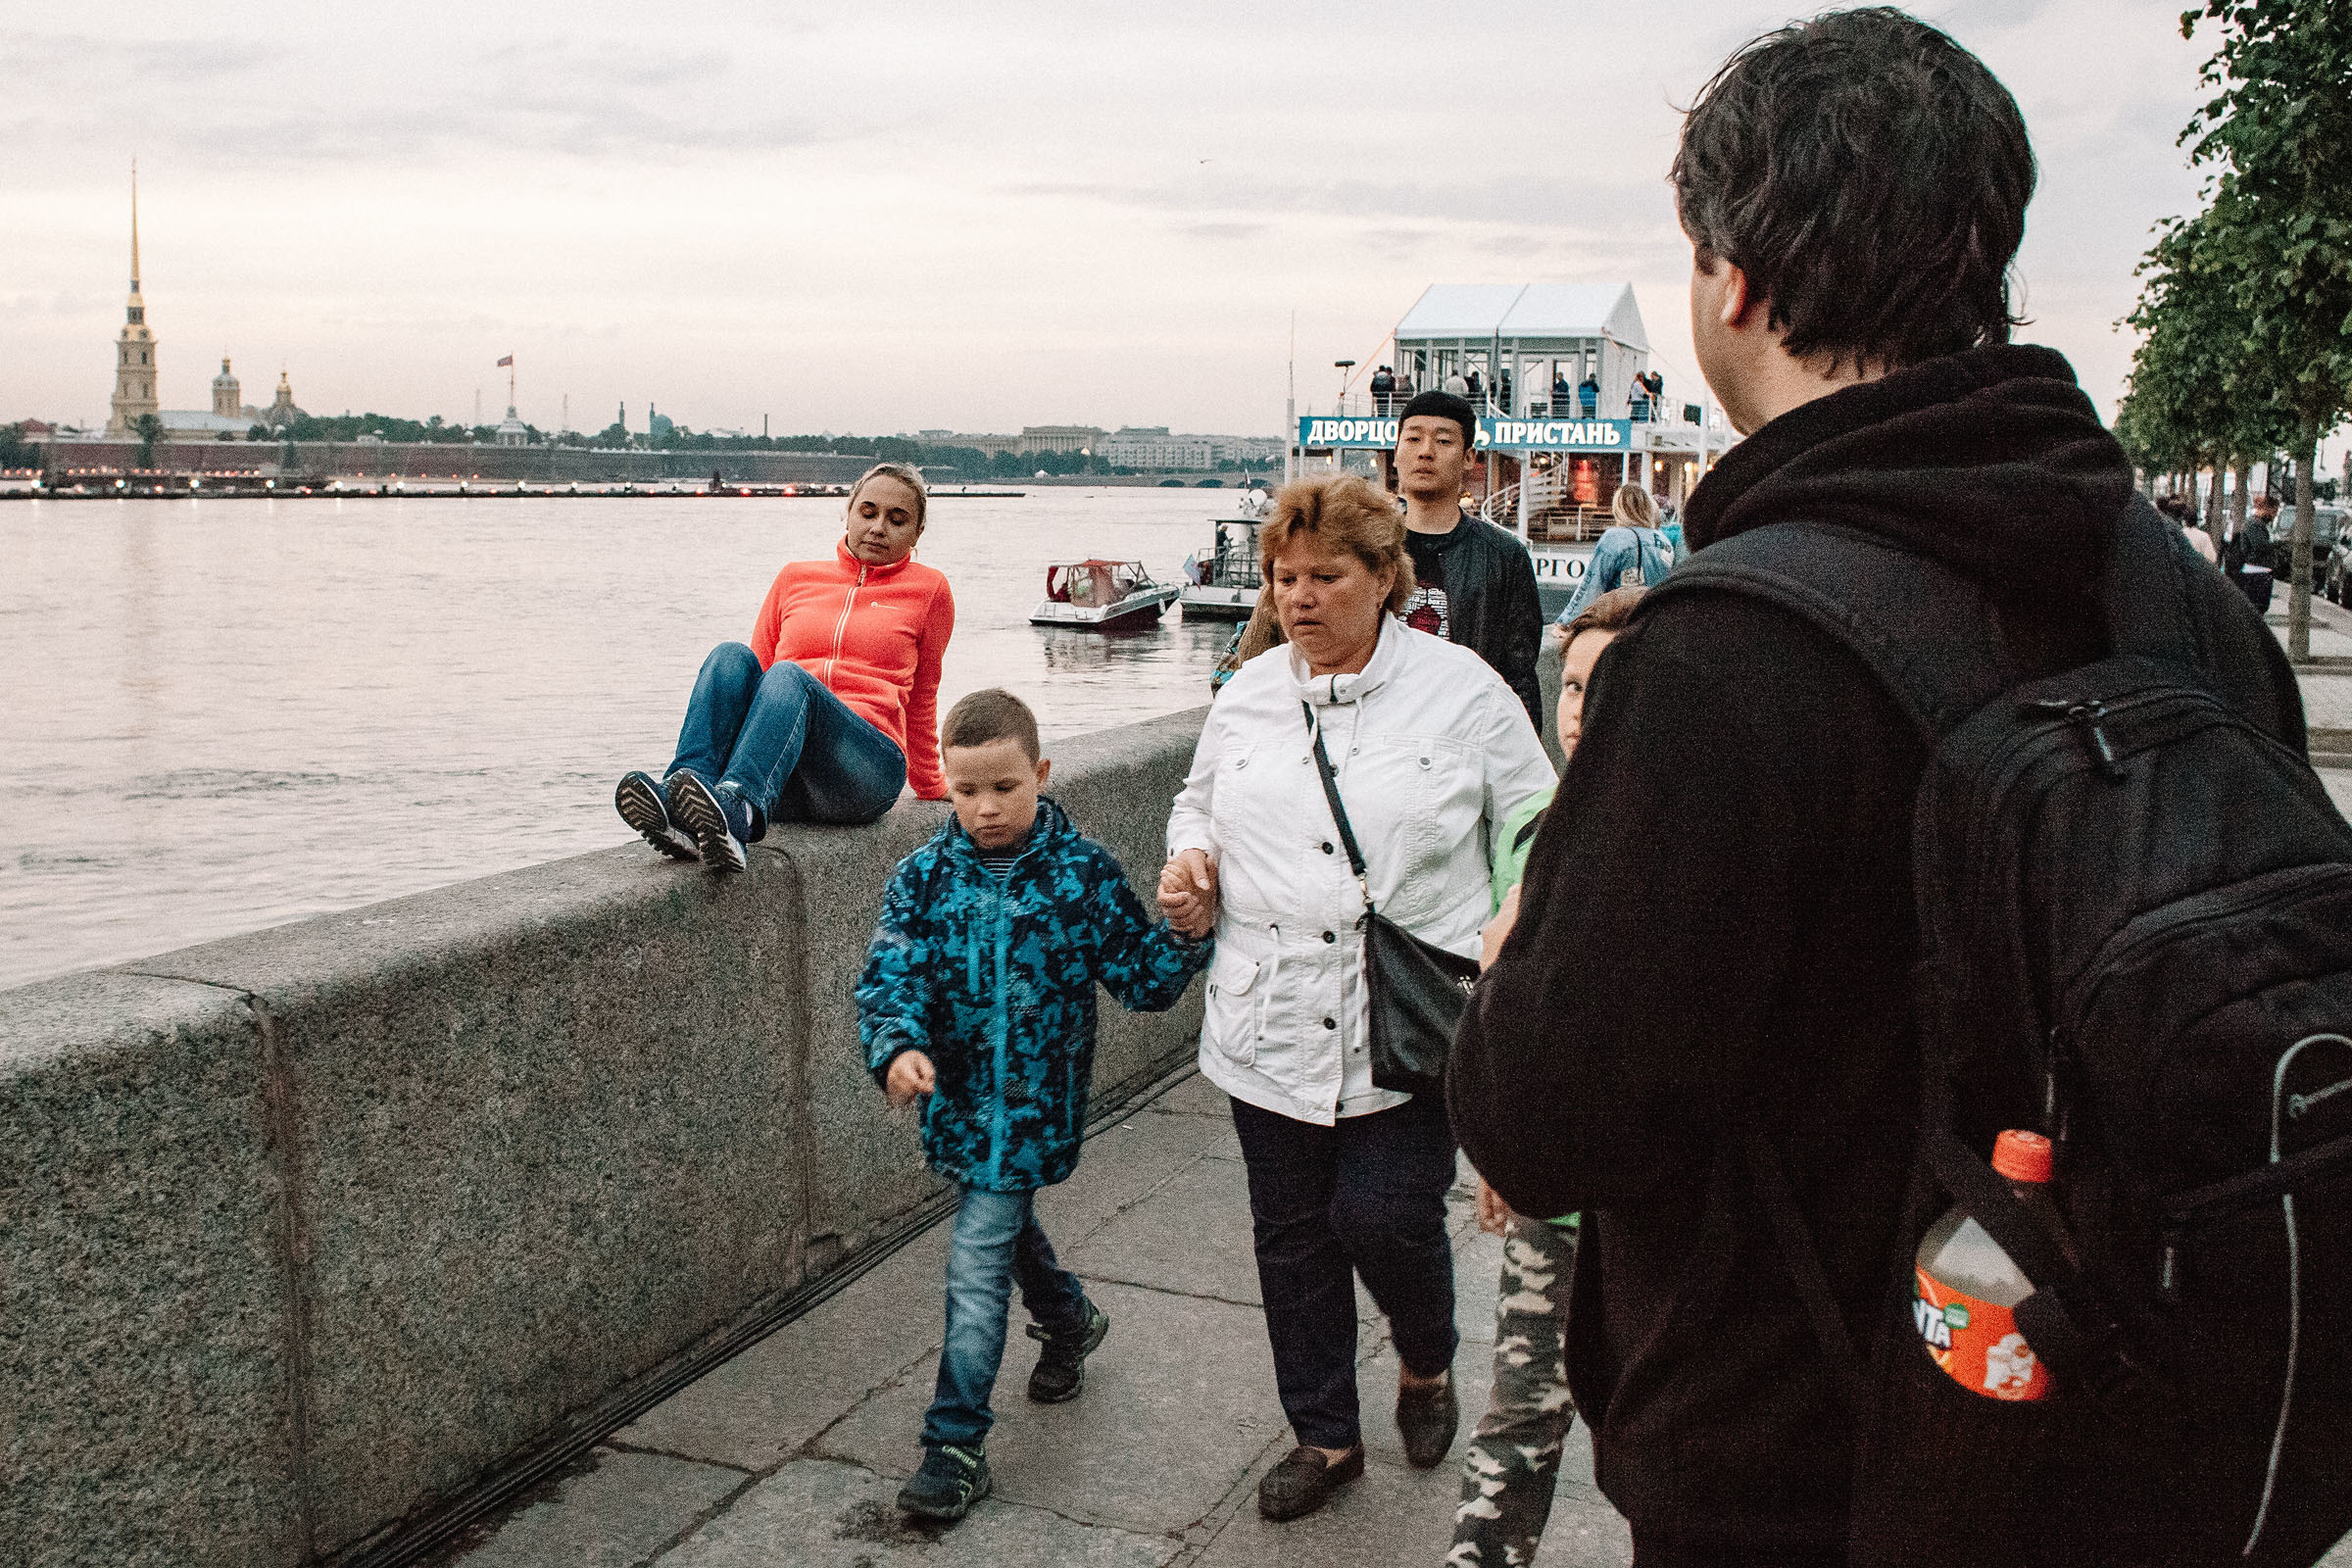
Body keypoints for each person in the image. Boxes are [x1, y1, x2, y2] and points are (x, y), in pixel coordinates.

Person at [1446, 12, 2299, 1566]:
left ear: (1736, 282)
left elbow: (1553, 1125)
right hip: (2151, 1419)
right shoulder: (2184, 601)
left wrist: (1518, 965)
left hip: (1813, 1462)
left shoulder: (1724, 653)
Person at [1157, 473, 1553, 1525]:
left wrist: (1517, 917)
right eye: (1284, 577)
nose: (1298, 596)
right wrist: (1191, 863)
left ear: (1384, 577)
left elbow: (1537, 821)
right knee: (1291, 1238)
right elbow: (1197, 802)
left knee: (1385, 1217)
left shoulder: (1464, 691)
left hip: (1409, 1016)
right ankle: (1325, 1435)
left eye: (1325, 576)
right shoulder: (1248, 692)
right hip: (1266, 1015)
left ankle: (1426, 1357)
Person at [860, 688, 1212, 1525]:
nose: (985, 807)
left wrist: (1185, 932)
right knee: (1001, 1227)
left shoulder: (1080, 873)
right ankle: (1069, 1318)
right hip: (959, 1109)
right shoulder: (922, 879)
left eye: (1004, 787)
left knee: (976, 1262)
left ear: (1042, 774)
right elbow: (890, 976)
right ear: (944, 786)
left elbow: (1141, 978)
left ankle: (954, 1443)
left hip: (1034, 1110)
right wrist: (898, 1048)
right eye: (966, 790)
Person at [1447, 586, 1643, 1568]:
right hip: (1556, 1196)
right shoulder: (1530, 826)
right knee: (1522, 1402)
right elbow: (1504, 1009)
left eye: (1604, 688)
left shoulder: (1681, 839)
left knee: (1656, 1425)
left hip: (1649, 1194)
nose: (1577, 709)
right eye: (1568, 685)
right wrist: (1501, 1147)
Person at [615, 462, 952, 869]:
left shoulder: (929, 590)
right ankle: (684, 796)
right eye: (868, 513)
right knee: (730, 657)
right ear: (847, 513)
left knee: (789, 676)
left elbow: (923, 695)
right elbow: (754, 682)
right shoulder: (795, 578)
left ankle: (740, 809)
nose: (878, 528)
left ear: (917, 532)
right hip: (786, 772)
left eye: (897, 520)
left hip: (866, 769)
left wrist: (930, 784)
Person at [1392, 390, 1546, 727]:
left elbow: (1519, 676)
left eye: (1443, 441)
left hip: (1465, 731)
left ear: (1468, 457)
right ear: (1395, 452)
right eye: (1413, 438)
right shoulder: (1368, 550)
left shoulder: (1504, 557)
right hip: (1382, 732)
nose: (1425, 451)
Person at [1550, 482, 1672, 630]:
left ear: (1619, 509)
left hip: (1621, 624)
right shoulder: (1663, 540)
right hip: (1653, 624)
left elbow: (1592, 585)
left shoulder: (1616, 537)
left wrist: (1566, 622)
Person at [2225, 492, 2278, 612]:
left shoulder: (2257, 524)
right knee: (2257, 607)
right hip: (2256, 572)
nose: (2274, 515)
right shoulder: (2254, 524)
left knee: (2257, 608)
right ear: (2267, 509)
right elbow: (2259, 545)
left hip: (2258, 571)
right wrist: (2277, 545)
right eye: (2274, 511)